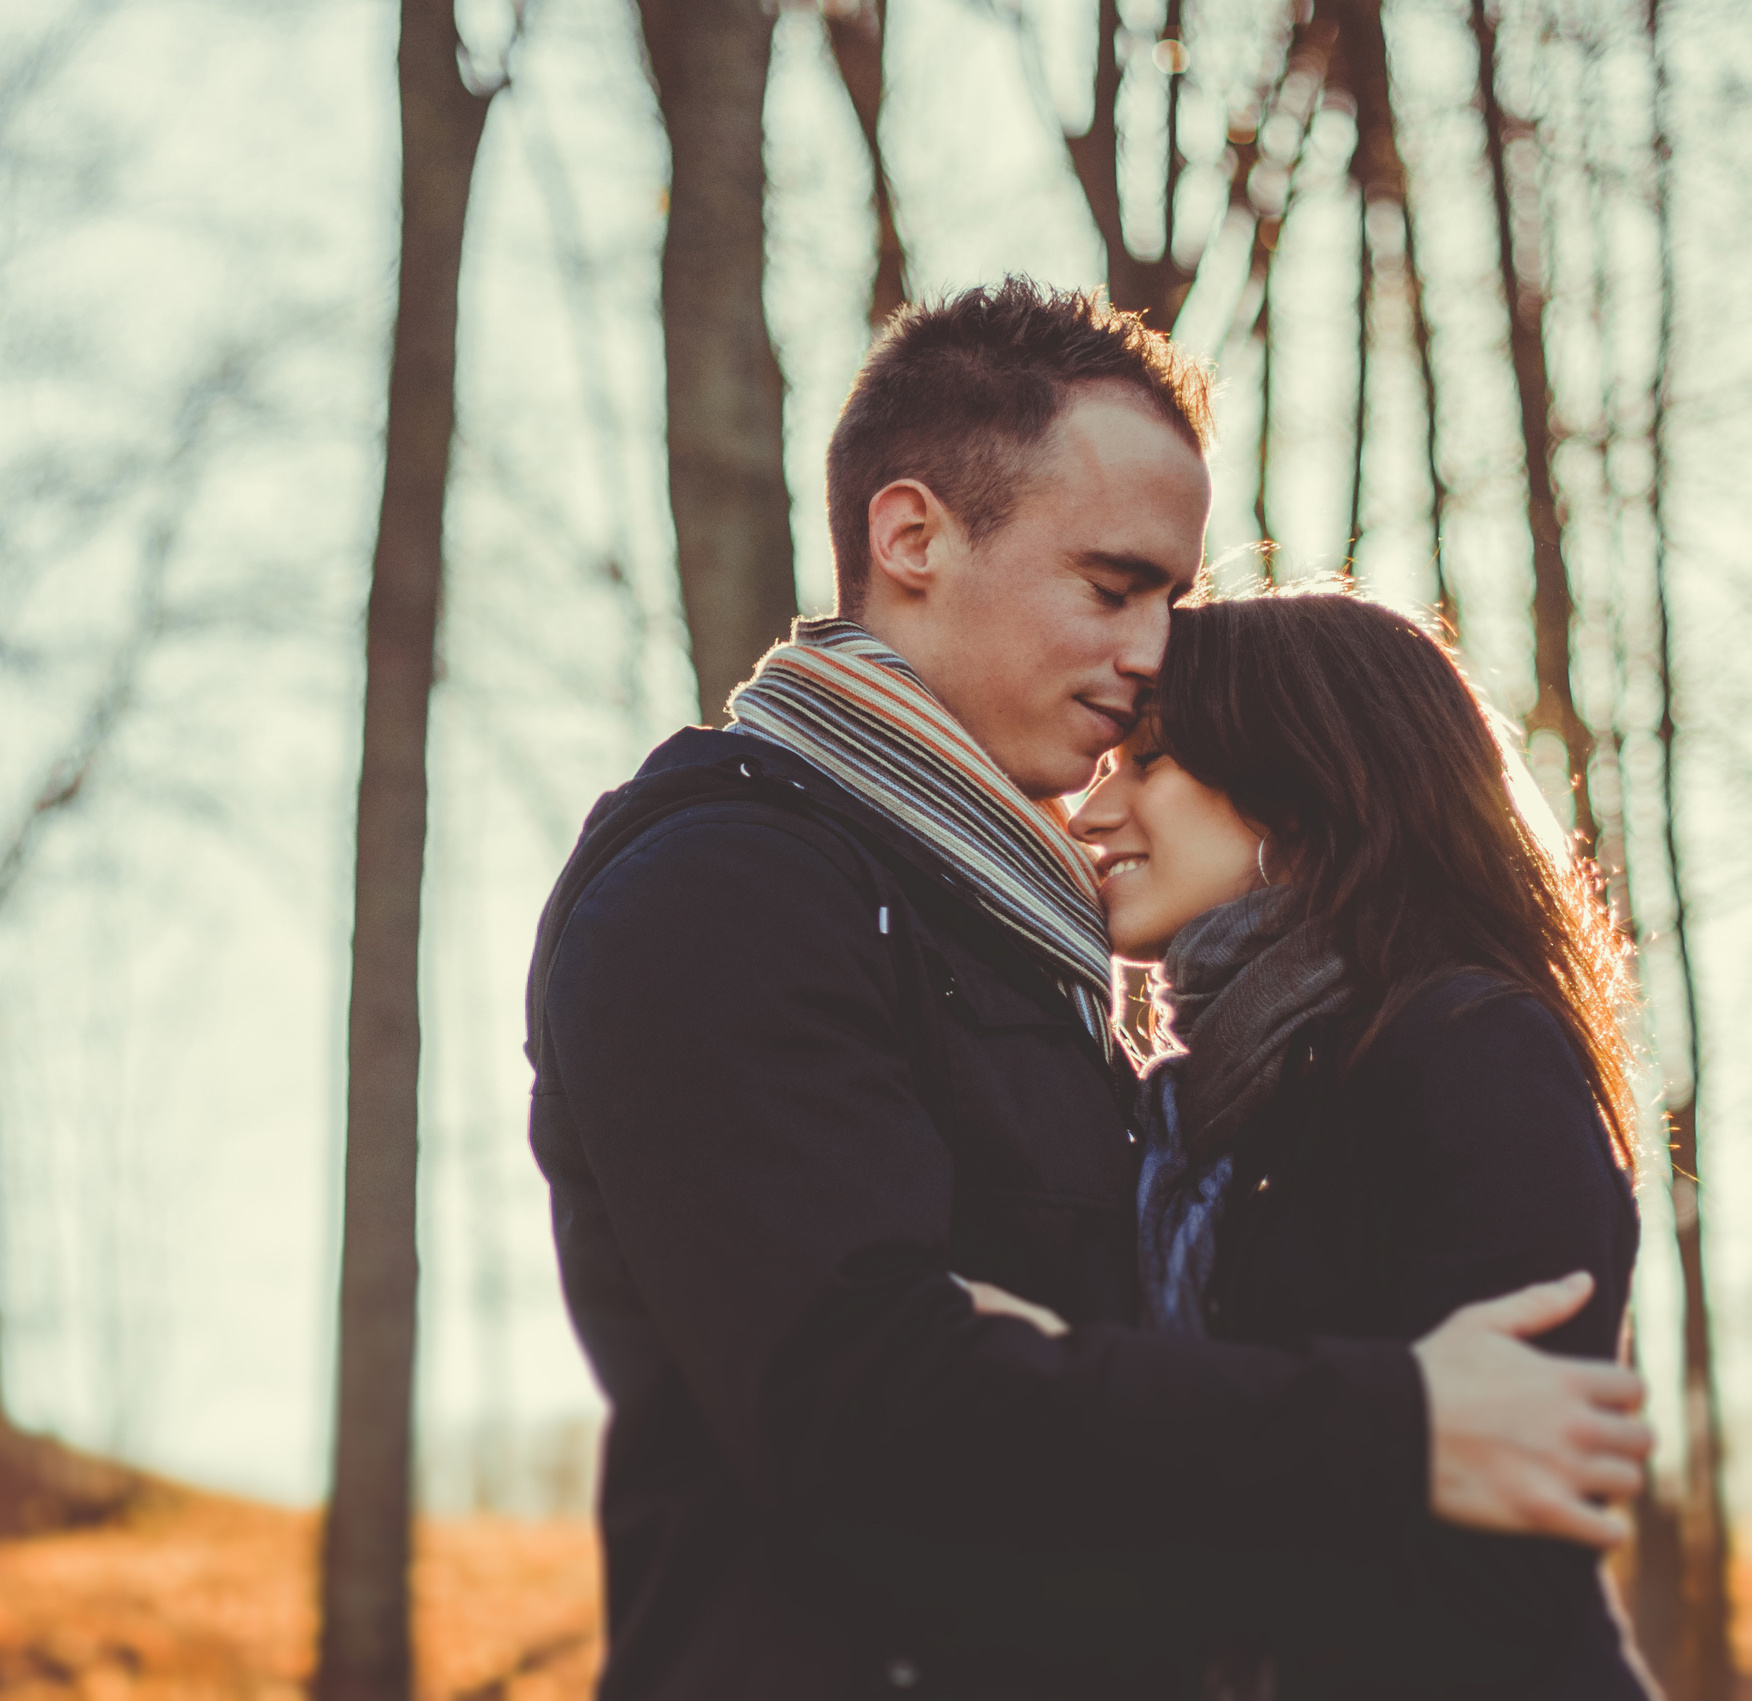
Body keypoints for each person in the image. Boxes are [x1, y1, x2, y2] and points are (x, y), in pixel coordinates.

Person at [525, 280, 1651, 1699]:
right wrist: (1397, 1425)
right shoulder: (729, 888)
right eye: (1113, 587)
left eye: (1169, 599)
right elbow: (862, 1407)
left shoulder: (1031, 941)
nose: (1154, 649)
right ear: (913, 537)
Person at [1049, 589, 1650, 1696]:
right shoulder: (1192, 1112)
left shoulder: (1468, 1048)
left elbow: (1506, 1530)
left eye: (1150, 760)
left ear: (1302, 782)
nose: (1090, 813)